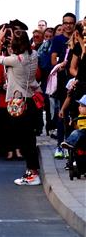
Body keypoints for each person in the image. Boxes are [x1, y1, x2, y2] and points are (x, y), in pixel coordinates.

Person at [0, 27, 41, 186]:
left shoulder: (15, 60)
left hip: (19, 102)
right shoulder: (33, 55)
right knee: (29, 139)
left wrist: (0, 40)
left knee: (25, 140)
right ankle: (31, 171)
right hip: (31, 99)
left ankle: (33, 174)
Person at [50, 13, 76, 158]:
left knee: (75, 113)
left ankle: (71, 144)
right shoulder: (58, 40)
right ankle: (60, 145)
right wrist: (61, 64)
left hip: (76, 79)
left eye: (71, 23)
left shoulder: (78, 39)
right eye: (65, 23)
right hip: (62, 80)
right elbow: (53, 60)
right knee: (62, 113)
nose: (68, 25)